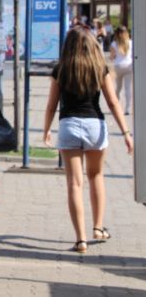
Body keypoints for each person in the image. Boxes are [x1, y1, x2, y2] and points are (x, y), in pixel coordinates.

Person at [43, 28, 133, 254]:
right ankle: (98, 227)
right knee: (96, 176)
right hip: (95, 126)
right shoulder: (99, 68)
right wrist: (126, 134)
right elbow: (113, 102)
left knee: (74, 183)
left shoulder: (60, 70)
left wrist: (45, 130)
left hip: (69, 126)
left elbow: (52, 105)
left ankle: (80, 240)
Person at [110, 26, 133, 115]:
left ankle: (116, 106)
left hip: (118, 66)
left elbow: (112, 57)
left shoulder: (114, 44)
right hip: (129, 66)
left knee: (118, 87)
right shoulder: (131, 43)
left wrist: (113, 57)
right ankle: (127, 109)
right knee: (128, 88)